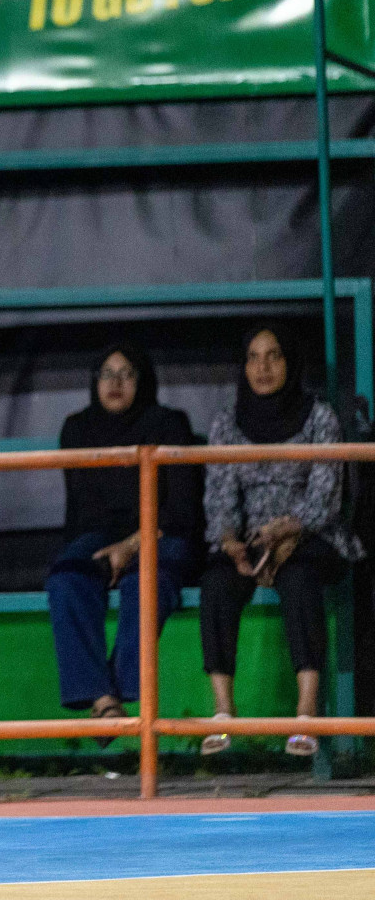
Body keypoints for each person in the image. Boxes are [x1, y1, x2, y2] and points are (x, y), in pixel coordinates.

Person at [198, 324, 364, 759]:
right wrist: (232, 543)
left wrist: (289, 531)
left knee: (298, 578)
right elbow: (219, 499)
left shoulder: (319, 417)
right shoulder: (227, 422)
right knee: (216, 583)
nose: (263, 367)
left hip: (315, 535)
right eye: (253, 357)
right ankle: (223, 712)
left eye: (274, 356)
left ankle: (306, 714)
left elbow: (326, 497)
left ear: (290, 363)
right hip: (252, 539)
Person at [45, 344, 200, 738]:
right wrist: (104, 553)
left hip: (162, 531)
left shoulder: (168, 423)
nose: (115, 383)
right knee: (66, 579)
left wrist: (132, 546)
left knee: (145, 580)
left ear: (142, 381)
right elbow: (81, 511)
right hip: (99, 536)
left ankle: (123, 689)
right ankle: (103, 701)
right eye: (107, 374)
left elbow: (181, 508)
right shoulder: (77, 428)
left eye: (127, 374)